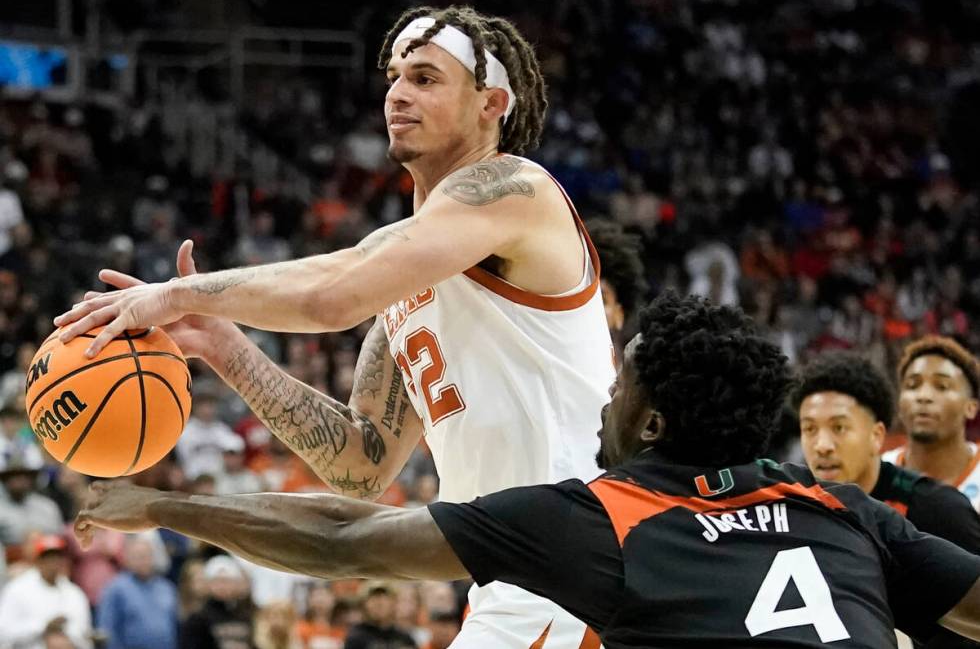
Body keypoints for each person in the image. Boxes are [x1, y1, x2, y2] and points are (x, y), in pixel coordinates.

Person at [57, 5, 613, 648]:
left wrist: (177, 295)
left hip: (576, 573)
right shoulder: (406, 270)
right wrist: (227, 348)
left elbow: (332, 296)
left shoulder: (516, 187)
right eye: (394, 78)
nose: (398, 95)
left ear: (491, 103)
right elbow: (361, 466)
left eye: (427, 78)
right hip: (512, 581)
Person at [75, 292, 980, 648]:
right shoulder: (846, 510)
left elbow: (345, 532)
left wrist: (161, 501)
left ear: (654, 418)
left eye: (620, 383)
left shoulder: (607, 515)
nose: (604, 400)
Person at [793, 352, 980, 648]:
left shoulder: (940, 509)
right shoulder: (795, 508)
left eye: (839, 427)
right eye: (809, 429)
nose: (822, 446)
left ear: (877, 435)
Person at [884, 336, 980, 508]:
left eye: (942, 386)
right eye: (912, 386)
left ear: (971, 407)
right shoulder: (875, 475)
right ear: (899, 403)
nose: (924, 396)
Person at [0, 535, 92, 649]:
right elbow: (3, 633)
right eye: (48, 557)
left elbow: (85, 635)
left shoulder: (74, 593)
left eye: (57, 557)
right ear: (38, 560)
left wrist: (65, 635)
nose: (53, 562)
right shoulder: (17, 589)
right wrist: (43, 626)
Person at [97, 535, 179, 649]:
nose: (143, 561)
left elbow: (175, 627)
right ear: (127, 559)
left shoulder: (167, 588)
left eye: (146, 556)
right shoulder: (116, 589)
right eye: (138, 557)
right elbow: (107, 630)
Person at [585, 218, 646, 359]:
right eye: (583, 300)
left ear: (619, 314)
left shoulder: (633, 376)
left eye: (602, 300)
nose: (589, 309)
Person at [179, 555, 255, 649]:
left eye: (227, 581)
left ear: (236, 582)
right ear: (208, 584)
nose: (222, 586)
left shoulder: (249, 613)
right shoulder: (198, 618)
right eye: (217, 581)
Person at [343, 582, 416, 649]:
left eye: (384, 597)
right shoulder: (356, 636)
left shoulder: (404, 637)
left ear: (394, 602)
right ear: (364, 604)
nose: (379, 603)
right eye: (374, 598)